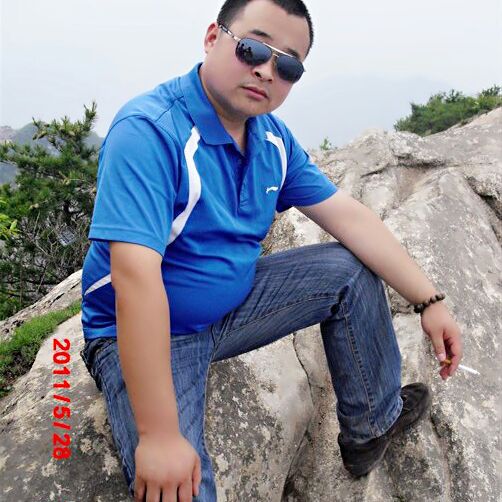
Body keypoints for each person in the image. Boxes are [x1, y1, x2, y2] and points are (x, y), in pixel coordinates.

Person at [79, 0, 463, 500]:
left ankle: (372, 426)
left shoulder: (270, 139)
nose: (266, 70)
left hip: (233, 308)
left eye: (288, 66)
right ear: (213, 38)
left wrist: (430, 301)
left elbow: (349, 219)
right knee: (180, 488)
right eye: (253, 49)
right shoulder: (150, 131)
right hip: (153, 331)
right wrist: (159, 436)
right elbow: (135, 279)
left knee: (348, 268)